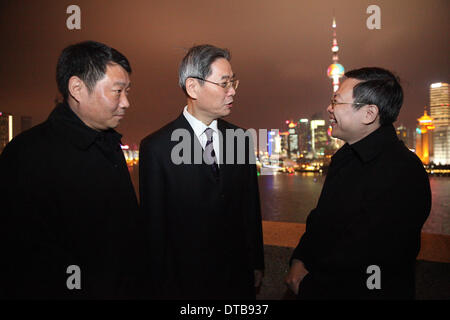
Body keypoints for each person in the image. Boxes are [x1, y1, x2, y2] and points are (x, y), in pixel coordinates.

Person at [0, 41, 144, 299]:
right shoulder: (26, 156)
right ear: (77, 88)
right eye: (117, 91)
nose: (126, 103)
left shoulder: (110, 144)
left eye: (127, 91)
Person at [285, 67, 431, 300]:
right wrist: (299, 259)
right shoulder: (345, 157)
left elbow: (370, 256)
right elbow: (320, 220)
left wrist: (309, 287)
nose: (329, 108)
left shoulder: (402, 171)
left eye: (336, 102)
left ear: (369, 114)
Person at [139, 44, 264, 299]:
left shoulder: (240, 139)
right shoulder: (157, 147)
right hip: (185, 285)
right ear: (193, 87)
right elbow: (155, 229)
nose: (232, 92)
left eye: (234, 83)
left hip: (238, 281)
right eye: (224, 83)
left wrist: (256, 263)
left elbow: (250, 208)